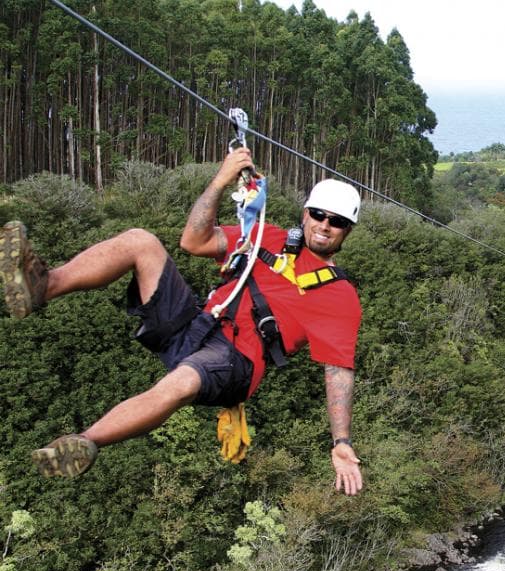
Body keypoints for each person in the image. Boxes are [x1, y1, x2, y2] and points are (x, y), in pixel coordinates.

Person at [0, 147, 364, 495]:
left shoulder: (339, 295)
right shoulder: (266, 235)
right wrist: (220, 181)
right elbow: (194, 241)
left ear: (347, 231)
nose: (325, 225)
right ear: (306, 213)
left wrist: (341, 442)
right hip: (199, 324)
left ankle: (85, 444)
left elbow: (338, 372)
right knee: (139, 241)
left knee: (181, 382)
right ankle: (42, 286)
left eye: (337, 222)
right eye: (319, 214)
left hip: (238, 361)